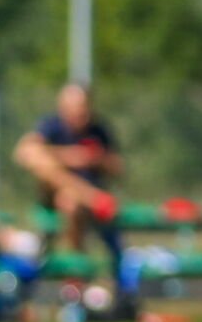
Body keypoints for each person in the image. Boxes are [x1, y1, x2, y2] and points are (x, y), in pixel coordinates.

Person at [13, 82, 123, 263]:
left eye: (84, 107)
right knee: (42, 163)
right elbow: (24, 152)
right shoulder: (50, 126)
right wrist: (70, 156)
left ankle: (75, 272)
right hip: (58, 196)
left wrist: (97, 159)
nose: (81, 113)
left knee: (69, 201)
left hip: (80, 200)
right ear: (63, 107)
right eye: (75, 107)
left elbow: (118, 167)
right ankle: (91, 197)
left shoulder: (98, 130)